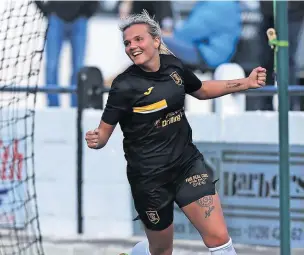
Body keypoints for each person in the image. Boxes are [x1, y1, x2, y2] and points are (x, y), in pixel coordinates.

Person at [85, 11, 266, 255]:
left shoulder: (174, 66)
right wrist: (96, 139)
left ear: (156, 40)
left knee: (219, 237)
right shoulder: (123, 86)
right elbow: (103, 134)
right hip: (149, 179)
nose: (132, 46)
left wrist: (246, 82)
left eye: (139, 39)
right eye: (127, 43)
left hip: (186, 165)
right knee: (160, 250)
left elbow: (201, 90)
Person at [35, 1, 98, 107]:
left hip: (80, 18)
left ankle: (76, 106)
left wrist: (89, 10)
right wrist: (46, 10)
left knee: (78, 66)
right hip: (56, 17)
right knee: (52, 65)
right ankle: (53, 106)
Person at [162, 1, 242, 71]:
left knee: (158, 40)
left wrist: (166, 33)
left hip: (209, 56)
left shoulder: (219, 3)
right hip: (206, 50)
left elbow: (188, 34)